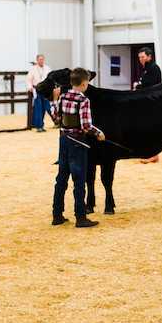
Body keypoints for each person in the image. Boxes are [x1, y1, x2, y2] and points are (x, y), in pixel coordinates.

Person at [52, 68, 105, 228]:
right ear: (83, 84)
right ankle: (81, 217)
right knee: (79, 179)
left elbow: (56, 119)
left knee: (61, 178)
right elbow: (86, 125)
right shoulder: (83, 101)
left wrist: (54, 101)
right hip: (78, 143)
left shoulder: (63, 97)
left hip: (63, 141)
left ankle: (57, 215)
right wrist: (99, 133)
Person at [27, 54, 51, 133]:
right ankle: (39, 126)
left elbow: (51, 79)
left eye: (42, 59)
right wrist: (29, 87)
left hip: (45, 90)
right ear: (37, 60)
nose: (41, 61)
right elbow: (29, 79)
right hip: (37, 90)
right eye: (39, 59)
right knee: (38, 108)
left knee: (45, 108)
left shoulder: (47, 68)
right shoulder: (33, 69)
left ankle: (41, 125)